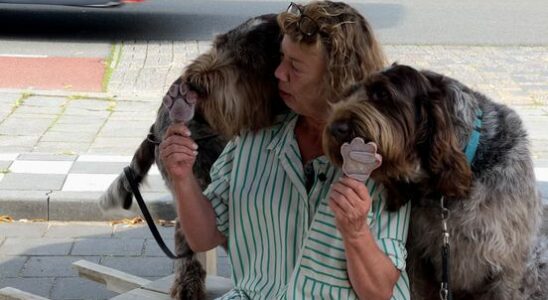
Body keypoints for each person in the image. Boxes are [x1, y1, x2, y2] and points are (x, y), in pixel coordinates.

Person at [159, 1, 410, 299]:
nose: (279, 73)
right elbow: (203, 237)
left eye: (295, 67)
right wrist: (183, 178)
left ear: (335, 79)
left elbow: (378, 292)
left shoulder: (380, 159)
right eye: (282, 59)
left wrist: (356, 232)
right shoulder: (255, 139)